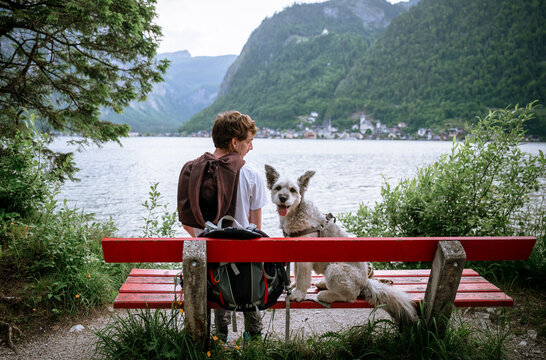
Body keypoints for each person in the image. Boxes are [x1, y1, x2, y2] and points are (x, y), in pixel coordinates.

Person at [177, 110, 268, 342]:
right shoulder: (251, 175)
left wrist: (210, 240)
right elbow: (256, 229)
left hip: (209, 269)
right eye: (249, 142)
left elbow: (189, 224)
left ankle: (220, 337)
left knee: (217, 265)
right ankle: (254, 339)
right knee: (248, 265)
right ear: (235, 142)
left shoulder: (194, 171)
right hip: (246, 269)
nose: (251, 147)